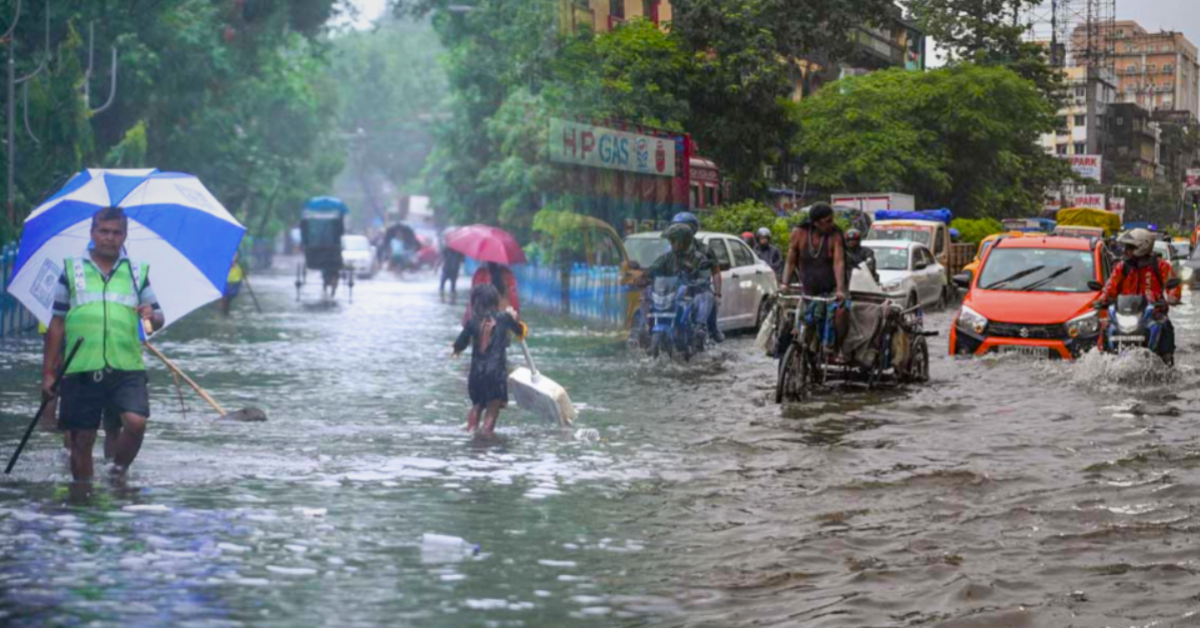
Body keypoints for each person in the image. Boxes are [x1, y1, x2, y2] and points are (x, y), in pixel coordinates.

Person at [42, 206, 164, 481]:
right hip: (81, 365)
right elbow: (57, 323)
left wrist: (151, 315)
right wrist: (49, 372)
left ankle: (117, 471)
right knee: (81, 439)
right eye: (104, 231)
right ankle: (83, 497)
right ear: (92, 233)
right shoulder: (71, 271)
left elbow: (158, 318)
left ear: (124, 236)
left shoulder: (137, 272)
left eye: (116, 232)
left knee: (136, 422)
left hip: (126, 364)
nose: (109, 237)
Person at [452, 284, 528, 439]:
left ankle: (472, 430)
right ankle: (486, 436)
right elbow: (520, 331)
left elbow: (460, 344)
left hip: (476, 375)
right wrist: (514, 318)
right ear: (496, 301)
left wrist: (456, 350)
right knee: (492, 409)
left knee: (477, 405)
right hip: (495, 374)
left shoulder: (472, 322)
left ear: (475, 303)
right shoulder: (504, 318)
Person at [1100, 228, 1181, 364]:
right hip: (1125, 314)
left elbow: (1173, 286)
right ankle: (1103, 357)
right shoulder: (1122, 267)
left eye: (1130, 248)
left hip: (1152, 315)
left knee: (1165, 325)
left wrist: (1172, 298)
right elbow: (1110, 287)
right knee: (1106, 327)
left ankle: (1167, 361)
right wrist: (1101, 299)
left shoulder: (1160, 266)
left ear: (1142, 247)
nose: (1125, 251)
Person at [782, 203, 848, 348]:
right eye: (828, 221)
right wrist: (784, 284)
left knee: (841, 312)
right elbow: (790, 261)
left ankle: (838, 348)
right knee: (786, 319)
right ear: (815, 223)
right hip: (808, 291)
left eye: (832, 220)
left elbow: (839, 263)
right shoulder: (798, 234)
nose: (832, 224)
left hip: (832, 291)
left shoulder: (835, 237)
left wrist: (840, 289)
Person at [638, 223, 716, 342]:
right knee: (645, 293)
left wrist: (699, 281)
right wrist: (643, 277)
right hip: (669, 294)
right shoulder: (667, 257)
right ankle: (644, 326)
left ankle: (700, 328)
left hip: (689, 295)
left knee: (707, 295)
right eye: (671, 241)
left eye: (674, 240)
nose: (671, 243)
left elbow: (705, 275)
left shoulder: (699, 258)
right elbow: (653, 268)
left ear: (684, 241)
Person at [672, 212, 724, 342]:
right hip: (677, 289)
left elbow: (716, 271)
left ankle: (707, 329)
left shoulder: (705, 250)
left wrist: (718, 294)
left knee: (708, 298)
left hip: (699, 288)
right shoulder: (669, 250)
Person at [220, 252, 243, 316]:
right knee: (225, 300)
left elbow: (240, 279)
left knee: (227, 300)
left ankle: (225, 312)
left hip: (233, 284)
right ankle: (224, 312)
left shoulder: (237, 268)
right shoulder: (225, 266)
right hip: (227, 284)